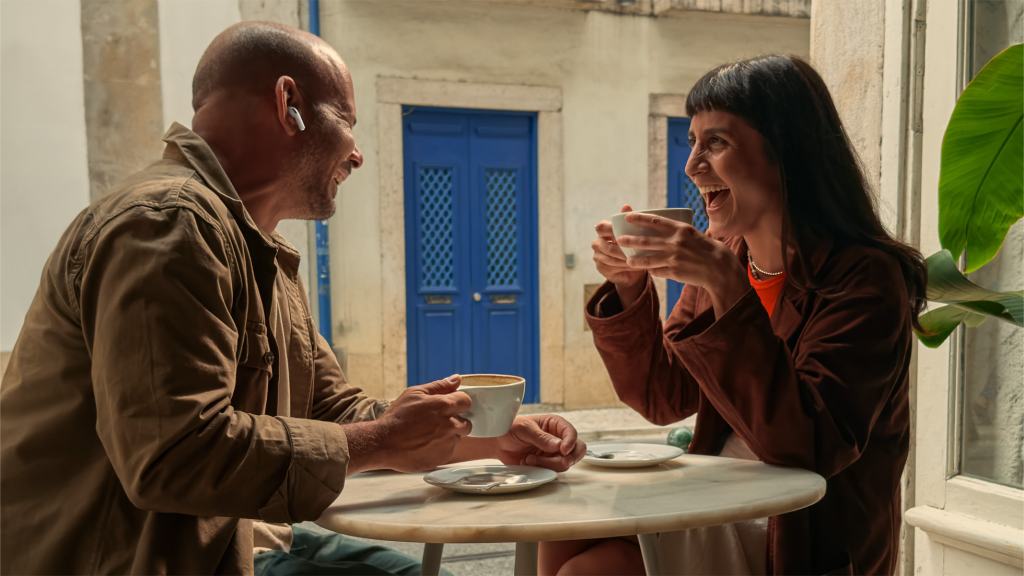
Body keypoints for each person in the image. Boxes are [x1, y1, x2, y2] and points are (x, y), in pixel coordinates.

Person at [0, 21, 584, 575]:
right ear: (289, 105)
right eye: (348, 122)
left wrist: (483, 432)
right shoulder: (167, 224)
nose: (356, 155)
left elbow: (331, 412)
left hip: (238, 540)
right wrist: (384, 438)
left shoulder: (256, 248)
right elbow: (173, 454)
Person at [539, 55, 926, 575]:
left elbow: (807, 447)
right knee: (561, 533)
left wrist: (726, 286)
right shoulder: (731, 254)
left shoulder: (864, 277)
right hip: (717, 496)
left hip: (795, 528)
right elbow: (664, 395)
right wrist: (630, 288)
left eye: (715, 143)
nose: (692, 164)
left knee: (590, 570)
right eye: (693, 142)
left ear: (786, 151)